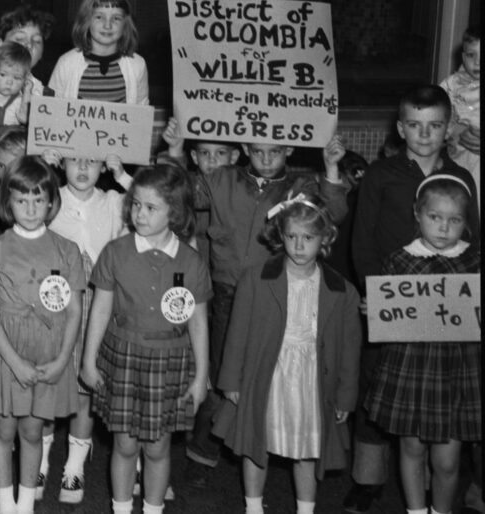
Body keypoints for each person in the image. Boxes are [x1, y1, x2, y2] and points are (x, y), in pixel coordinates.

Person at [160, 118, 347, 490]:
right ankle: (203, 451)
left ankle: (267, 442)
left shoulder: (300, 186)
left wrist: (330, 167)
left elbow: (333, 215)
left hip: (276, 294)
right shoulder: (222, 179)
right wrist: (177, 151)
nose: (265, 158)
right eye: (258, 150)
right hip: (226, 290)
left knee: (269, 370)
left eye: (274, 151)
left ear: (290, 149)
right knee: (218, 371)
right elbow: (175, 194)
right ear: (245, 148)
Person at [346, 85, 478, 513]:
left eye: (435, 126)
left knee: (444, 428)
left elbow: (473, 242)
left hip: (447, 319)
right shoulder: (381, 174)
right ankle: (367, 480)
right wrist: (373, 294)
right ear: (401, 128)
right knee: (381, 393)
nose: (425, 135)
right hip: (393, 304)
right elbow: (362, 240)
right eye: (415, 126)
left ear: (448, 128)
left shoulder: (461, 177)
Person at [213, 192, 362, 514]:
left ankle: (305, 510)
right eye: (291, 236)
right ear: (280, 236)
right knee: (256, 445)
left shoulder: (342, 290)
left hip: (312, 379)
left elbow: (350, 350)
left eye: (308, 237)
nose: (298, 245)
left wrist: (346, 396)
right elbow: (236, 332)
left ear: (325, 238)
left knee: (307, 452)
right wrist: (230, 380)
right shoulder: (256, 278)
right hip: (268, 373)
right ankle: (253, 507)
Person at [80, 164, 209, 514]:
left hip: (170, 361)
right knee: (124, 445)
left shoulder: (192, 261)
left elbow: (198, 322)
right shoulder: (115, 252)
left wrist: (201, 377)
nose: (140, 213)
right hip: (122, 357)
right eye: (136, 204)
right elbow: (101, 310)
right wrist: (88, 361)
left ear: (176, 213)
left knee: (157, 448)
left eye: (151, 208)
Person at [363, 175, 480, 514]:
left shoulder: (474, 262)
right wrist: (375, 309)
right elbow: (389, 312)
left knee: (446, 462)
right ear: (417, 214)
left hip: (457, 372)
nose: (444, 227)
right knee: (411, 450)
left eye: (454, 219)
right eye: (435, 217)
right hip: (410, 367)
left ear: (465, 221)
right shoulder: (399, 261)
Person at [0, 157, 86, 514]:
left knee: (32, 431)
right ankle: (5, 504)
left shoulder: (67, 250)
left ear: (51, 202)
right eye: (21, 200)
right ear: (7, 202)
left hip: (48, 351)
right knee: (3, 432)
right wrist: (13, 362)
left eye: (38, 199)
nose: (30, 207)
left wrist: (62, 360)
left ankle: (25, 504)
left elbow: (74, 310)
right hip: (7, 352)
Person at [41, 153, 130, 504]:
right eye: (74, 160)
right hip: (55, 303)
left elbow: (156, 199)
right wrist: (42, 163)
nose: (82, 168)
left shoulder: (113, 201)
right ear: (61, 163)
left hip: (99, 303)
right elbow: (2, 196)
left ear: (103, 166)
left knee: (84, 385)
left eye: (92, 161)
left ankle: (75, 465)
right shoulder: (48, 196)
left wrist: (121, 174)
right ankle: (42, 459)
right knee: (49, 383)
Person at [47, 0, 148, 105]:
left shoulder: (137, 65)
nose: (107, 25)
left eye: (116, 18)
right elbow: (51, 108)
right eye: (99, 17)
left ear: (126, 24)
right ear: (86, 20)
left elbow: (142, 111)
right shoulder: (66, 63)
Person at [441, 26, 481, 191]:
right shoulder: (452, 84)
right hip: (459, 159)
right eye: (471, 55)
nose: (477, 62)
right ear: (463, 56)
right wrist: (455, 130)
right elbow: (437, 117)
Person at [0, 6, 55, 94]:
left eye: (36, 41)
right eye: (20, 39)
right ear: (0, 45)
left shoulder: (45, 96)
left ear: (41, 53)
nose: (29, 45)